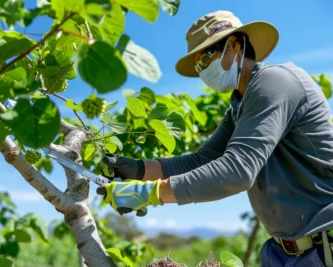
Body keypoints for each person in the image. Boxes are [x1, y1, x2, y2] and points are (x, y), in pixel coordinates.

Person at [96, 10, 333, 267]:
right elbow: (203, 159)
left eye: (206, 58)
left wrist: (150, 193)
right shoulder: (240, 108)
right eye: (198, 66)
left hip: (323, 247)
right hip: (282, 252)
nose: (202, 71)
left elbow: (237, 171)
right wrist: (139, 170)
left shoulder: (275, 82)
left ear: (234, 45)